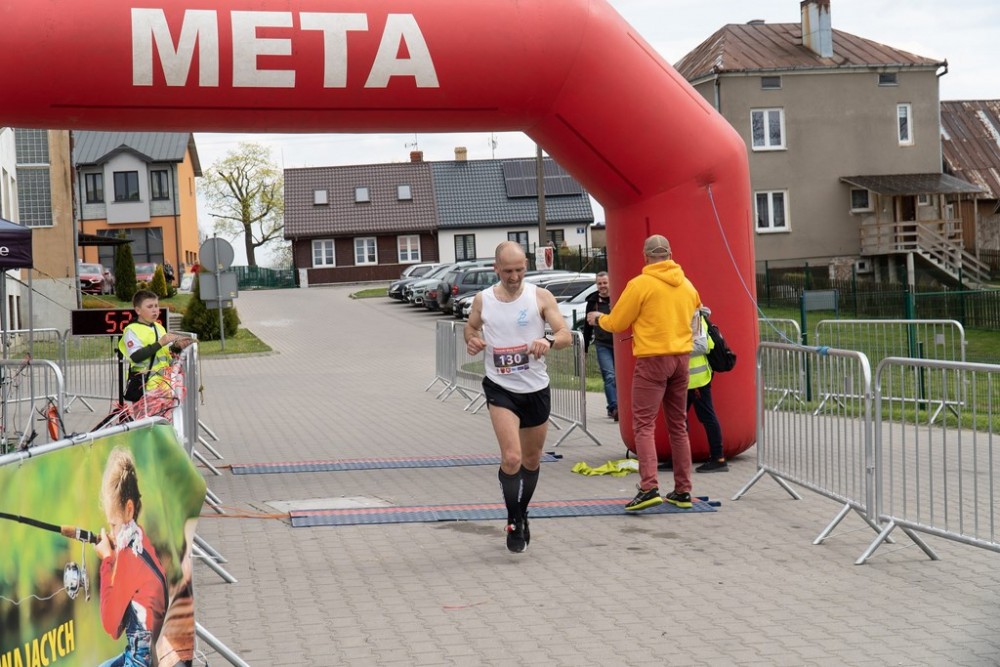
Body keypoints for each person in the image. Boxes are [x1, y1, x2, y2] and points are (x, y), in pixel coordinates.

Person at [464, 241, 571, 553]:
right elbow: (470, 328)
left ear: (526, 266)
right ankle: (512, 519)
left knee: (532, 459)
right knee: (511, 458)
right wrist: (472, 340)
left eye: (520, 270)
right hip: (500, 387)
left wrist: (548, 340)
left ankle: (522, 513)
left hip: (535, 388)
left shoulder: (540, 296)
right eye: (508, 271)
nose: (514, 277)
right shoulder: (483, 299)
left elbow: (564, 334)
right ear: (496, 268)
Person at [586, 234, 701, 511]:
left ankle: (649, 487)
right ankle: (683, 490)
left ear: (645, 256)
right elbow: (695, 320)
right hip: (681, 359)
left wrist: (598, 318)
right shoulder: (687, 285)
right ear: (670, 255)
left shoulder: (640, 284)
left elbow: (618, 322)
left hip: (652, 360)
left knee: (644, 425)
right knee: (678, 425)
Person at [96, 447, 167, 667]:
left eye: (113, 525)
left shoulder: (129, 557)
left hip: (140, 660)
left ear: (129, 509)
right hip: (149, 650)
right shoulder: (141, 540)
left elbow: (111, 627)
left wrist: (106, 561)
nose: (111, 532)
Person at [118, 290, 192, 402]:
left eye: (156, 306)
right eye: (150, 306)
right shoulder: (132, 330)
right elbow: (136, 356)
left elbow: (165, 352)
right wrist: (160, 343)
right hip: (145, 389)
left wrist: (177, 346)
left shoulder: (159, 327)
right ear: (138, 310)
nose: (155, 310)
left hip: (165, 387)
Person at [689, 307, 728, 473]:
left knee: (707, 417)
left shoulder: (695, 317)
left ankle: (718, 458)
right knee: (677, 419)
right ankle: (678, 458)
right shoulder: (683, 314)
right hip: (685, 378)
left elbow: (703, 346)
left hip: (697, 378)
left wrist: (672, 348)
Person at [582, 271, 617, 421]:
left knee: (619, 378)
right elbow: (587, 326)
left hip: (618, 344)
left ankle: (619, 405)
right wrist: (584, 348)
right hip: (602, 344)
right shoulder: (593, 302)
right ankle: (614, 407)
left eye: (605, 283)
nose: (602, 286)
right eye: (599, 283)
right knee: (609, 376)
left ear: (610, 283)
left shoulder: (617, 298)